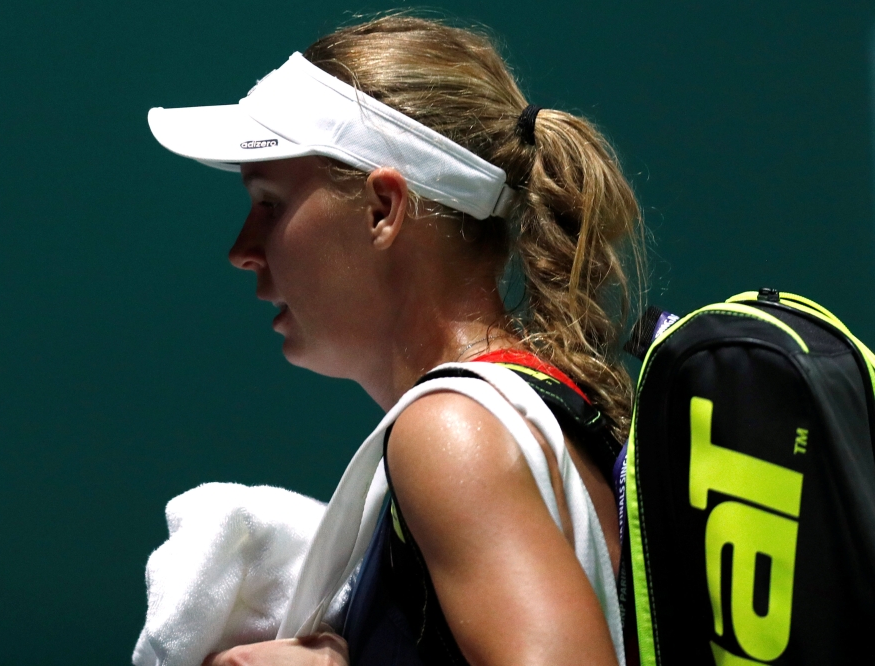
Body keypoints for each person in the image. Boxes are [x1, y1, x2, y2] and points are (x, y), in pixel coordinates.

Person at [147, 14, 643, 666]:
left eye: (269, 202)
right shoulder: (528, 408)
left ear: (383, 210)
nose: (242, 250)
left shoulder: (451, 433)